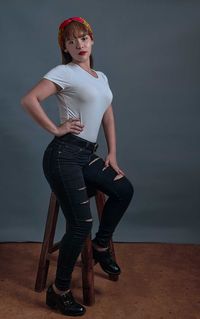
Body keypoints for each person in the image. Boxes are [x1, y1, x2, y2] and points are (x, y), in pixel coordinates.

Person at [21, 16, 134, 317]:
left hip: (87, 154)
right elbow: (30, 100)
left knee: (124, 189)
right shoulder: (64, 72)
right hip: (63, 155)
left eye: (83, 38)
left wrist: (112, 153)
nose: (79, 44)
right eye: (71, 41)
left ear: (92, 40)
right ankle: (58, 292)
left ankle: (99, 247)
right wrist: (55, 129)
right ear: (66, 48)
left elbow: (108, 115)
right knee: (80, 223)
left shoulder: (102, 77)